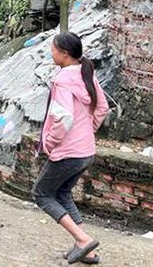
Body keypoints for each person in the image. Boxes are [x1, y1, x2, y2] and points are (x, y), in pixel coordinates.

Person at [32, 32, 110, 264]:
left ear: (64, 54)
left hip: (68, 152)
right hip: (85, 150)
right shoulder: (86, 74)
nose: (51, 54)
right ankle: (87, 249)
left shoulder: (63, 80)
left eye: (53, 50)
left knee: (41, 193)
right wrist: (87, 131)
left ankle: (83, 239)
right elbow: (102, 108)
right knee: (63, 193)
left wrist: (49, 142)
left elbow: (63, 117)